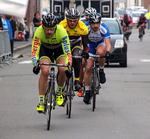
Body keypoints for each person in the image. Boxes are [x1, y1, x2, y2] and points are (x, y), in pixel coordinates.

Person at [31, 13, 72, 112]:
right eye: (46, 29)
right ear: (42, 27)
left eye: (51, 29)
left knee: (62, 69)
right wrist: (35, 64)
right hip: (45, 51)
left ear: (56, 27)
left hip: (59, 50)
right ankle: (41, 101)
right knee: (45, 71)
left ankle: (59, 92)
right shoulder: (39, 32)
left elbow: (67, 52)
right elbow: (34, 52)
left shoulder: (62, 31)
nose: (49, 32)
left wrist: (68, 65)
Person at [83, 13, 111, 104]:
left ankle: (101, 70)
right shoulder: (85, 28)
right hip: (90, 45)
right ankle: (87, 92)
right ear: (89, 23)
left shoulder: (104, 28)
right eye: (93, 23)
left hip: (100, 44)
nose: (96, 25)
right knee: (88, 67)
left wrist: (107, 52)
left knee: (101, 52)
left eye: (97, 23)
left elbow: (108, 43)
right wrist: (84, 53)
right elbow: (82, 43)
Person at [59, 8, 89, 91]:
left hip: (76, 44)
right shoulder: (61, 25)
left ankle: (76, 80)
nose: (72, 23)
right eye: (70, 20)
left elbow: (86, 44)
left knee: (77, 56)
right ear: (67, 19)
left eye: (75, 21)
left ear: (78, 20)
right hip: (65, 44)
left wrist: (85, 52)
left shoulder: (82, 27)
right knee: (62, 60)